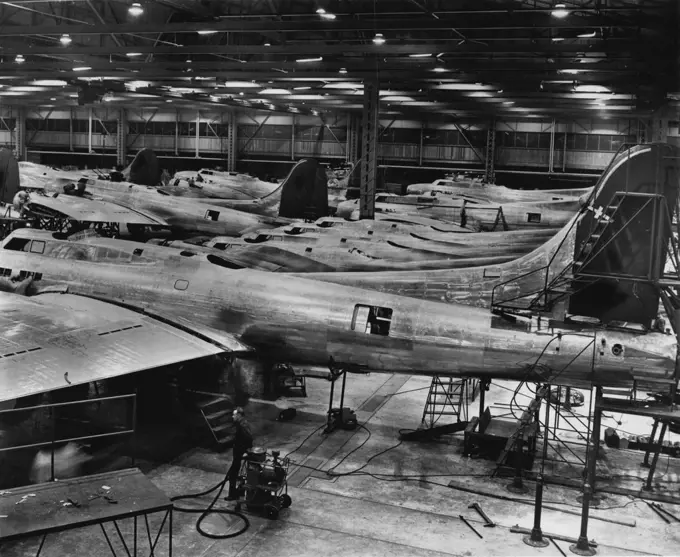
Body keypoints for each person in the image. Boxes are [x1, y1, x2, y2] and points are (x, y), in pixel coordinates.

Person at [226, 406, 253, 500]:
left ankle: (232, 495)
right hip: (238, 453)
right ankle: (238, 492)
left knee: (233, 474)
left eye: (234, 415)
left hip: (239, 453)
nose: (232, 416)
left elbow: (249, 438)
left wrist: (245, 452)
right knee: (235, 473)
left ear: (238, 415)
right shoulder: (241, 424)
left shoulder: (242, 425)